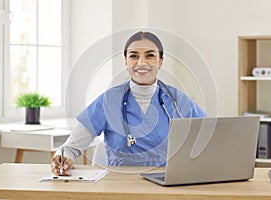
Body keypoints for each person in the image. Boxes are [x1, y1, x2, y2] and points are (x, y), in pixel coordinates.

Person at [51, 31, 206, 176]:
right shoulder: (109, 100)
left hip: (166, 184)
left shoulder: (179, 101)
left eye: (150, 55)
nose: (141, 62)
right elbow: (71, 147)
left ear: (160, 61)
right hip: (119, 184)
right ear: (126, 62)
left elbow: (209, 141)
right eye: (133, 56)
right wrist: (63, 158)